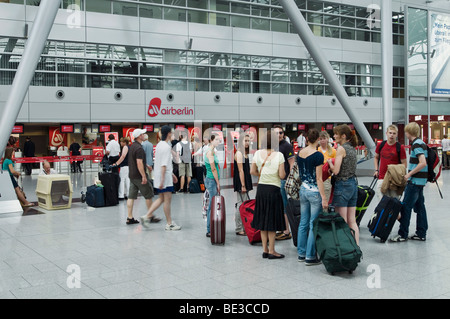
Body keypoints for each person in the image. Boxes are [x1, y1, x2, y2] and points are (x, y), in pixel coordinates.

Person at [250, 130, 286, 259]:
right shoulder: (279, 155)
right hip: (273, 190)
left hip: (261, 190)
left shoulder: (258, 154)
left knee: (263, 220)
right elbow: (282, 175)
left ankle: (264, 250)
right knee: (271, 220)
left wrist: (262, 174)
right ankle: (272, 251)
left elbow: (252, 171)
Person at [390, 122, 429, 242]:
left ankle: (402, 234)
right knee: (420, 207)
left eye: (406, 131)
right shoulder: (422, 143)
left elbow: (422, 162)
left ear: (409, 132)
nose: (405, 133)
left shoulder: (416, 144)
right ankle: (421, 233)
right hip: (421, 181)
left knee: (406, 207)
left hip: (415, 181)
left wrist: (409, 174)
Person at [141, 126, 181, 231]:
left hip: (161, 176)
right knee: (167, 200)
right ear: (168, 133)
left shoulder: (159, 145)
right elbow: (164, 164)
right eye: (172, 133)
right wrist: (163, 179)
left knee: (161, 199)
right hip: (164, 178)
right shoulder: (166, 147)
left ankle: (147, 216)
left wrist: (171, 175)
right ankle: (169, 223)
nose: (172, 135)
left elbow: (162, 163)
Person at [297, 129, 327, 265]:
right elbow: (319, 178)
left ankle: (301, 253)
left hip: (302, 189)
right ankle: (310, 256)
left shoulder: (300, 153)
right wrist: (324, 197)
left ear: (307, 139)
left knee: (303, 222)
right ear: (318, 139)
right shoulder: (318, 156)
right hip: (314, 192)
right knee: (313, 224)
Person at [327, 124, 359, 245]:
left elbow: (336, 171)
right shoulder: (352, 148)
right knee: (352, 221)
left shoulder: (341, 149)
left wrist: (330, 163)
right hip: (352, 184)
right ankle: (355, 247)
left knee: (342, 220)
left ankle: (344, 248)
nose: (334, 136)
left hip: (342, 185)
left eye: (336, 134)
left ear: (343, 136)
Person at [126, 129, 160, 225]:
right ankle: (150, 216)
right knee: (148, 195)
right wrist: (144, 176)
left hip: (132, 175)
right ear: (139, 136)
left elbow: (136, 161)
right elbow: (139, 162)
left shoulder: (132, 146)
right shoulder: (139, 149)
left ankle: (129, 217)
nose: (144, 135)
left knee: (131, 196)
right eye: (142, 134)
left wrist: (146, 165)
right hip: (139, 176)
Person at [373, 125, 407, 200]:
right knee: (381, 201)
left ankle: (395, 212)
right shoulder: (380, 145)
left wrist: (401, 175)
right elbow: (376, 157)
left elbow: (404, 163)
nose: (391, 135)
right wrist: (376, 170)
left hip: (394, 180)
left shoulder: (400, 147)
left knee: (394, 202)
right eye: (390, 133)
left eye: (394, 133)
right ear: (386, 133)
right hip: (382, 177)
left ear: (397, 135)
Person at [273, 125, 294, 241]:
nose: (279, 135)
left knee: (284, 206)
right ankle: (281, 228)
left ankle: (286, 231)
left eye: (280, 133)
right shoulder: (273, 146)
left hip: (283, 180)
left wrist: (290, 179)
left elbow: (292, 163)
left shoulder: (287, 146)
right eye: (276, 133)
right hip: (275, 180)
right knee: (279, 206)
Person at [233, 132, 253, 236]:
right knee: (241, 204)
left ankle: (243, 226)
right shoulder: (239, 153)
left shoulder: (244, 153)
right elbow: (241, 171)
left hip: (245, 180)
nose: (247, 143)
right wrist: (243, 185)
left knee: (244, 204)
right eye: (245, 141)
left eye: (248, 141)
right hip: (241, 182)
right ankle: (239, 228)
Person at [204, 133, 221, 238]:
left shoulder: (213, 151)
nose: (219, 141)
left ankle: (212, 226)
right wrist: (218, 183)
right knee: (212, 205)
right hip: (211, 180)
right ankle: (209, 229)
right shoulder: (209, 152)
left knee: (214, 204)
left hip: (212, 180)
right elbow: (213, 168)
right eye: (217, 140)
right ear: (211, 140)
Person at [318, 131, 336, 203]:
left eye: (324, 138)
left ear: (327, 139)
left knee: (326, 197)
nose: (322, 140)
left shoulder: (333, 151)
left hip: (328, 178)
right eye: (321, 139)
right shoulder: (317, 150)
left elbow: (336, 163)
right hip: (318, 177)